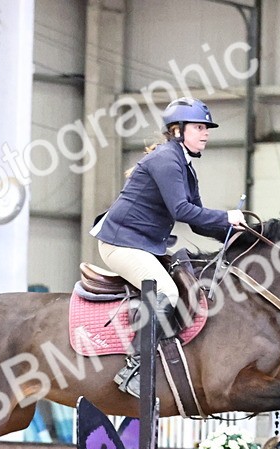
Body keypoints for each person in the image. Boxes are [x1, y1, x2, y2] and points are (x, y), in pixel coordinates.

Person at [91, 97, 244, 395]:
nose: (206, 133)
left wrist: (236, 232)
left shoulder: (184, 166)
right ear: (177, 130)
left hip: (143, 245)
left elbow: (198, 223)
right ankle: (134, 367)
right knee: (167, 291)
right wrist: (226, 215)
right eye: (199, 127)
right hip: (120, 244)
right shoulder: (166, 159)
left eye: (206, 128)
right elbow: (181, 211)